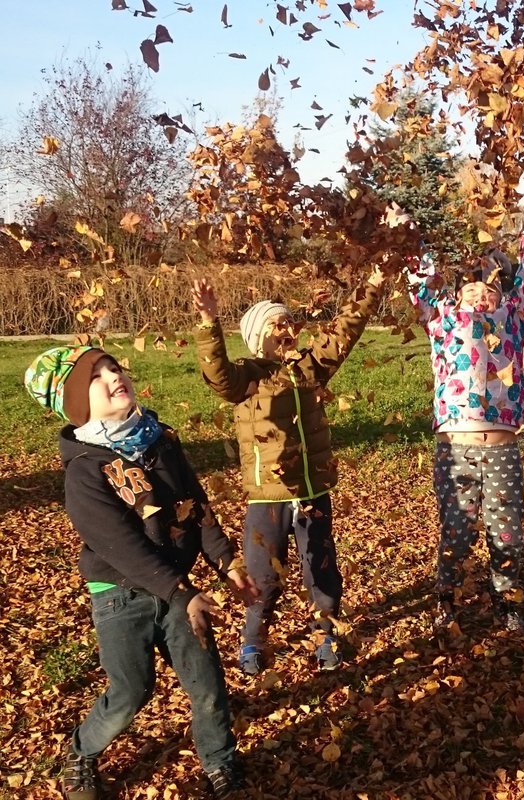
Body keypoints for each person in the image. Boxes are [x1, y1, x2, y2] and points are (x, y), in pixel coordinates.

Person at [24, 345, 258, 800]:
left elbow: (196, 505)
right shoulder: (85, 470)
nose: (114, 375)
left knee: (207, 683)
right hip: (120, 594)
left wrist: (226, 560)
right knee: (131, 692)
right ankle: (82, 751)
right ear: (75, 402)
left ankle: (220, 762)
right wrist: (180, 590)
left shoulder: (161, 442)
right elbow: (122, 548)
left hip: (177, 587)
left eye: (114, 366)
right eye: (97, 375)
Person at [191, 268, 384, 675]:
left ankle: (326, 632)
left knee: (322, 569)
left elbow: (343, 334)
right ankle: (253, 640)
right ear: (257, 336)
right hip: (268, 498)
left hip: (313, 493)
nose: (286, 329)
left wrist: (374, 284)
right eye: (274, 324)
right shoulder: (247, 378)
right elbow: (218, 376)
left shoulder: (309, 369)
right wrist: (209, 323)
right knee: (263, 576)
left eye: (288, 322)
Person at [407, 217, 524, 633]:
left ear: (501, 293)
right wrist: (405, 233)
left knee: (506, 532)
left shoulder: (513, 319)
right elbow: (421, 283)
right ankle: (446, 600)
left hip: (501, 447)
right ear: (457, 293)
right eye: (472, 286)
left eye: (490, 287)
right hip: (455, 448)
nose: (481, 294)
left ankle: (505, 598)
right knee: (456, 530)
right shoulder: (442, 322)